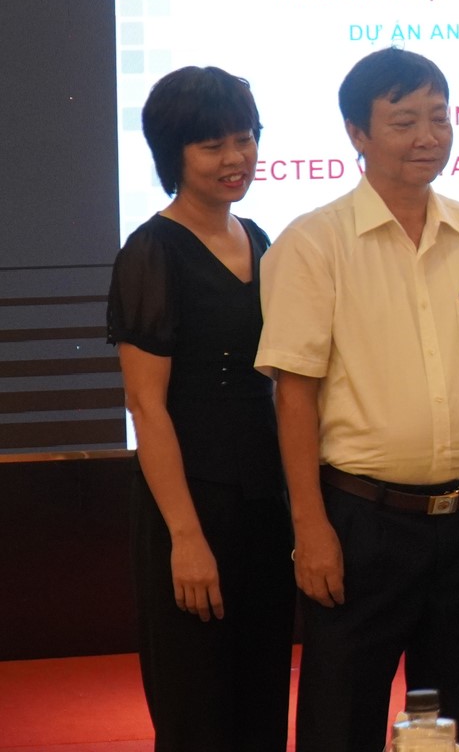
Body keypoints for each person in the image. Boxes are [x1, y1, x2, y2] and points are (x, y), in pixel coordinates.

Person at [257, 49, 459, 752]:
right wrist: (311, 529)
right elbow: (294, 396)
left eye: (439, 116)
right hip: (361, 521)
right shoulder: (315, 242)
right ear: (357, 134)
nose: (429, 135)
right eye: (404, 121)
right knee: (343, 716)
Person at [109, 66, 291, 752]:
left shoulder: (261, 238)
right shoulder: (151, 253)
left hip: (263, 503)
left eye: (245, 139)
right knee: (198, 709)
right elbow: (146, 408)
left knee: (261, 695)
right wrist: (185, 537)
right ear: (173, 153)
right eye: (213, 144)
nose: (235, 158)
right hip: (192, 505)